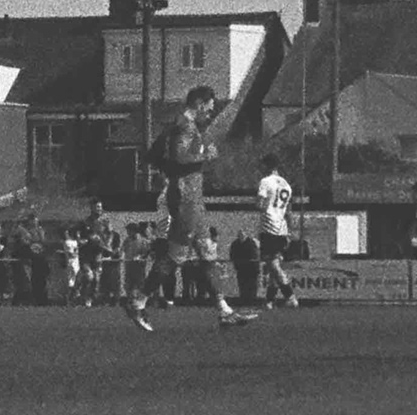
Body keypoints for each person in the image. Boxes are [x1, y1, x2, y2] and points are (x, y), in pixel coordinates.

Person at [129, 85, 248, 329]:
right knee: (176, 255)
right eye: (209, 108)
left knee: (207, 251)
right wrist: (206, 157)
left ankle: (224, 310)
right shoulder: (185, 125)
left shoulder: (178, 125)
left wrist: (171, 171)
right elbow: (180, 157)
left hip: (192, 196)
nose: (210, 114)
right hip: (186, 198)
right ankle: (138, 301)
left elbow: (153, 156)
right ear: (200, 104)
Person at [253, 158, 302, 309]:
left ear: (266, 166)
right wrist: (290, 231)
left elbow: (260, 204)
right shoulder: (286, 185)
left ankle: (290, 296)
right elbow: (288, 211)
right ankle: (269, 301)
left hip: (269, 227)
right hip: (282, 228)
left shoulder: (265, 181)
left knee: (273, 265)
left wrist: (259, 204)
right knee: (273, 266)